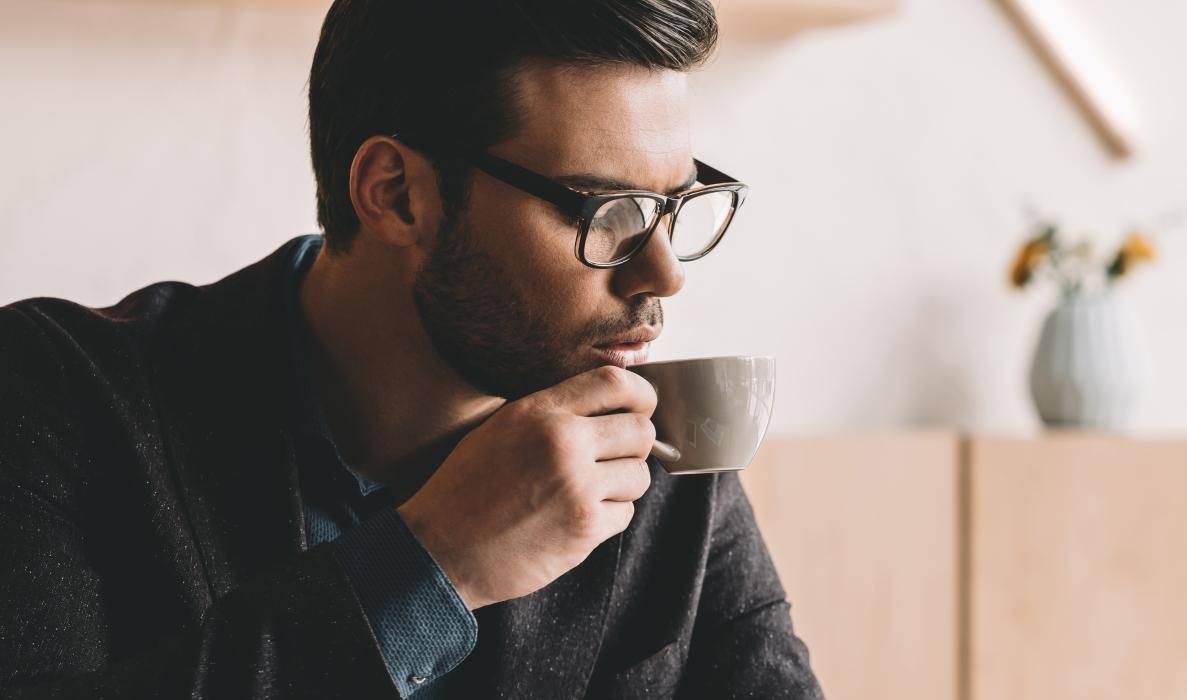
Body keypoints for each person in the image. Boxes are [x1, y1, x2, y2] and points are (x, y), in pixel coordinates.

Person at [0, 0, 821, 697]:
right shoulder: (54, 396)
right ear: (396, 194)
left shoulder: (663, 458)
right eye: (605, 212)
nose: (664, 273)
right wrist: (432, 566)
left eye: (676, 204)